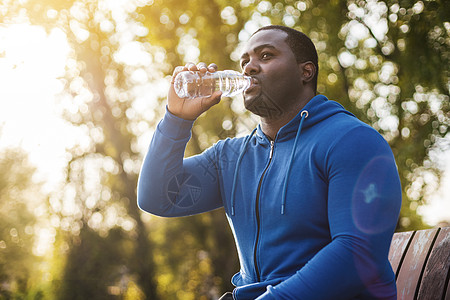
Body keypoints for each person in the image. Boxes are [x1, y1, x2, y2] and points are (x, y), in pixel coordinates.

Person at [137, 25, 402, 299]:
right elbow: (156, 198)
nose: (249, 68)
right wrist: (176, 119)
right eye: (245, 61)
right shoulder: (230, 158)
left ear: (305, 72)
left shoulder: (352, 140)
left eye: (265, 56)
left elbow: (357, 253)